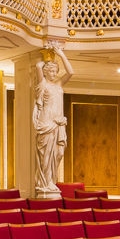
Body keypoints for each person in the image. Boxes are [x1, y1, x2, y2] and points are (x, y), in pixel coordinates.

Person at [32, 42, 73, 198]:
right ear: (46, 72)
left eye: (56, 70)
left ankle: (51, 181)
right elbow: (37, 65)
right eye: (52, 71)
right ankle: (45, 183)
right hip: (46, 123)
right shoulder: (43, 85)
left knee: (59, 153)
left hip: (58, 124)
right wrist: (46, 56)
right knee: (46, 155)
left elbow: (70, 72)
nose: (55, 73)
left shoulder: (59, 85)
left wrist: (61, 55)